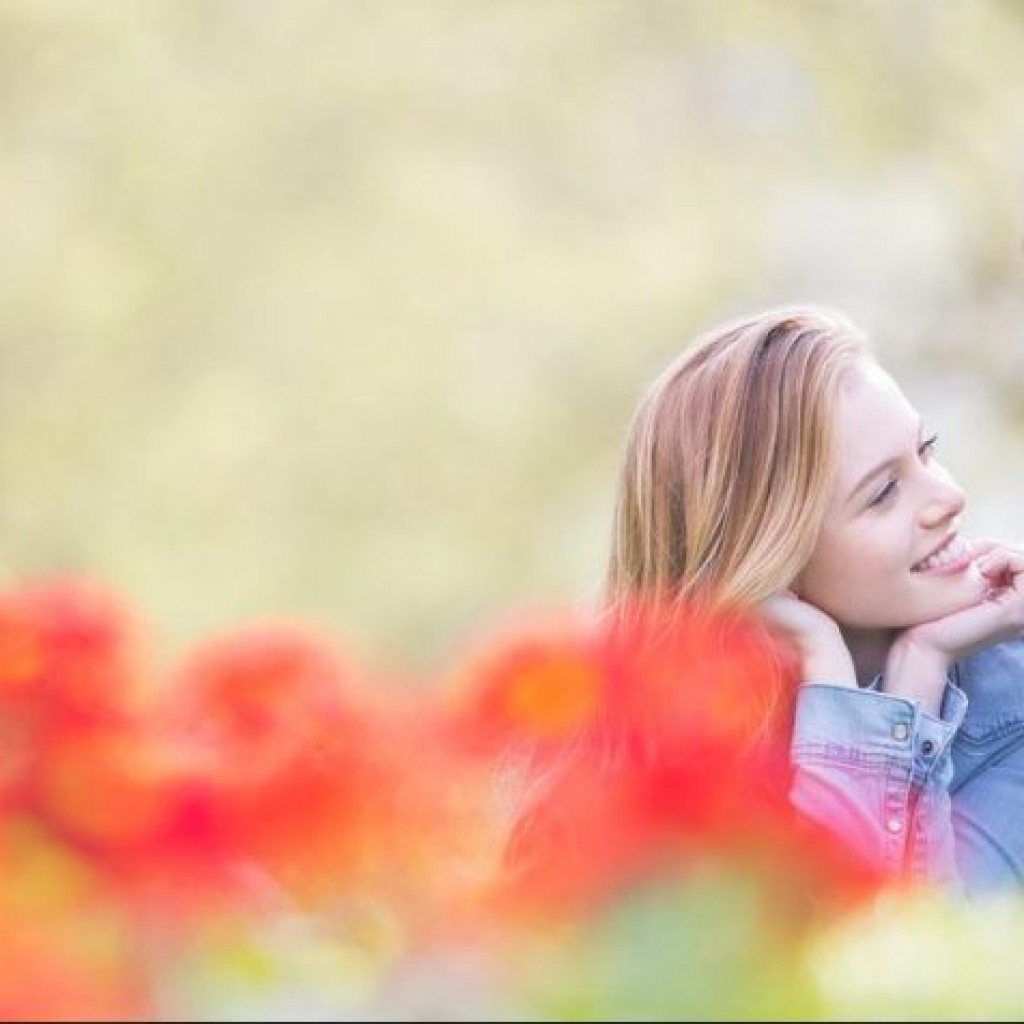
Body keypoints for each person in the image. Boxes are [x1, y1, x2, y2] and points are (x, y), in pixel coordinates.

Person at [602, 305, 1024, 896]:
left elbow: (922, 945)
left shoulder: (1012, 702)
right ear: (775, 563)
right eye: (884, 492)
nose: (949, 496)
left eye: (926, 449)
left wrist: (920, 666)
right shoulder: (670, 766)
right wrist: (835, 669)